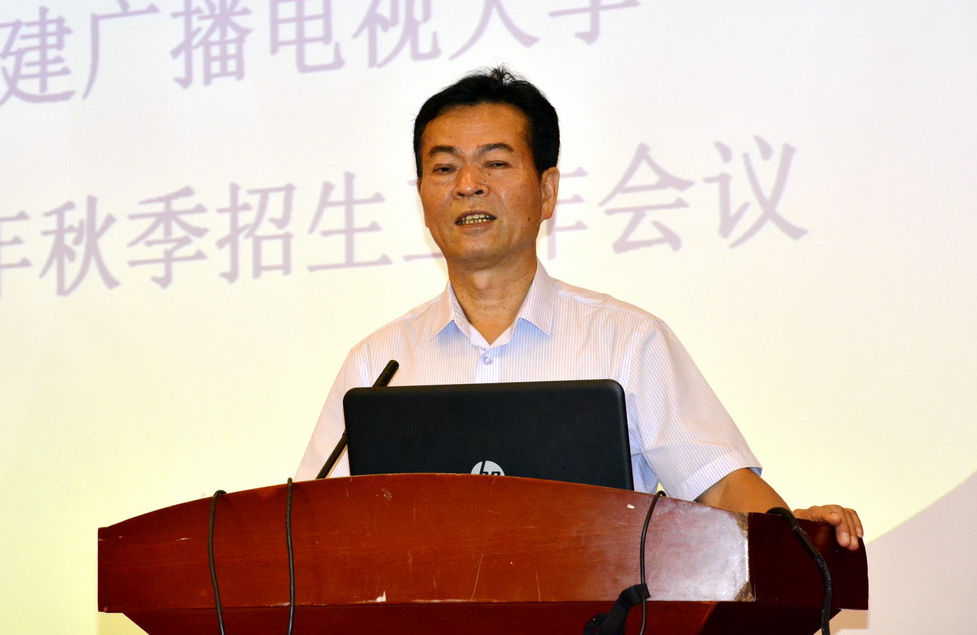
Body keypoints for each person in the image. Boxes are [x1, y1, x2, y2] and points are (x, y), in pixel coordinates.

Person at [296, 66, 863, 551]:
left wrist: (792, 535)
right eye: (444, 168)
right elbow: (308, 524)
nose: (467, 185)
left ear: (547, 191)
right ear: (421, 196)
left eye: (495, 164)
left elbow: (717, 484)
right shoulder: (378, 364)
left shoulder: (626, 340)